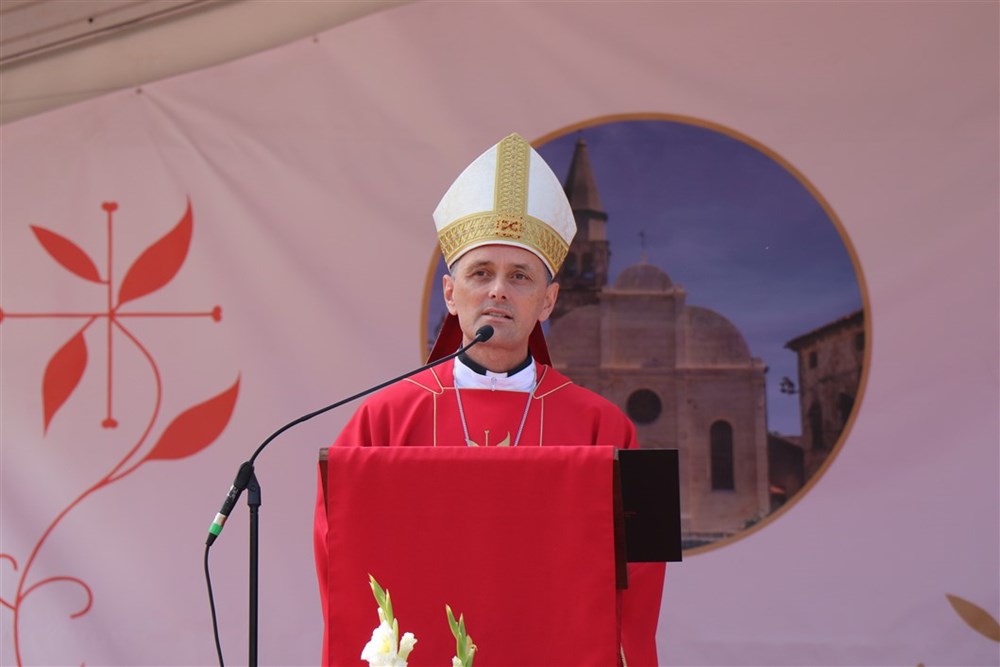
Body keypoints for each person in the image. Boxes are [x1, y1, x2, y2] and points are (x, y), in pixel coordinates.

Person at [314, 133, 665, 665]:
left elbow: (644, 564)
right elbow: (339, 548)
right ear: (451, 294)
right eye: (481, 273)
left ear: (547, 301)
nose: (498, 290)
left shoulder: (607, 427)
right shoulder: (382, 419)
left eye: (519, 276)